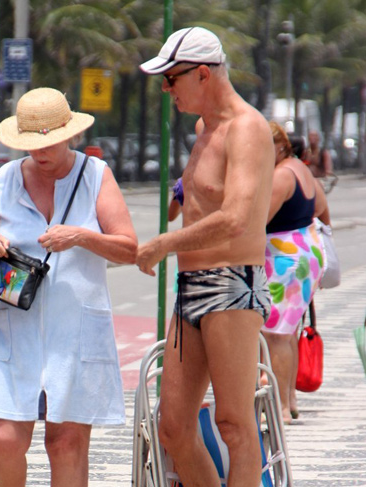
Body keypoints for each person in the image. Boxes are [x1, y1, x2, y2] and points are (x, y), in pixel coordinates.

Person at [0, 87, 137, 487]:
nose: (39, 153)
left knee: (66, 444)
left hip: (74, 329)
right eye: (30, 146)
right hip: (12, 325)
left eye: (49, 143)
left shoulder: (96, 175)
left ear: (69, 133)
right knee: (1, 437)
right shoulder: (7, 178)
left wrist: (80, 236)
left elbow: (129, 248)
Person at [137, 27, 275, 487]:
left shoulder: (249, 128)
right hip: (191, 287)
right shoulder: (204, 128)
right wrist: (180, 192)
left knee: (234, 425)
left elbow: (236, 217)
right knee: (173, 428)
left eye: (170, 79)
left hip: (233, 283)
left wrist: (164, 242)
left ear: (201, 74)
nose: (165, 90)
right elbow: (203, 189)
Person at [262, 121, 328, 423]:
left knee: (275, 334)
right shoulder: (301, 169)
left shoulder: (280, 176)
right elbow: (322, 207)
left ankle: (281, 409)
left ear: (278, 145)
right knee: (286, 332)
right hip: (306, 252)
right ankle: (289, 399)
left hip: (285, 259)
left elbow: (260, 220)